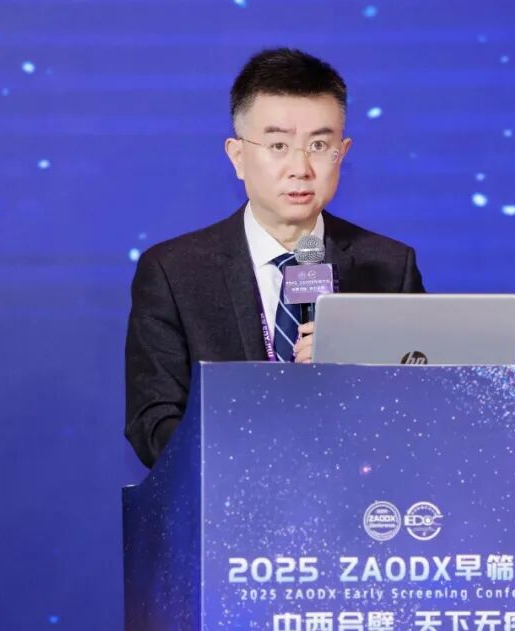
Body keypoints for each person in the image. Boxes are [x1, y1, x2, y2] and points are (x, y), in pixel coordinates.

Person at [124, 48, 425, 467]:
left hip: (358, 495)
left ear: (342, 152)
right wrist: (260, 466)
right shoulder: (174, 272)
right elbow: (153, 423)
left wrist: (358, 379)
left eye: (319, 145)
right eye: (278, 145)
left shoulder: (391, 267)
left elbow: (423, 413)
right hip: (231, 496)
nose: (300, 167)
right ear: (237, 156)